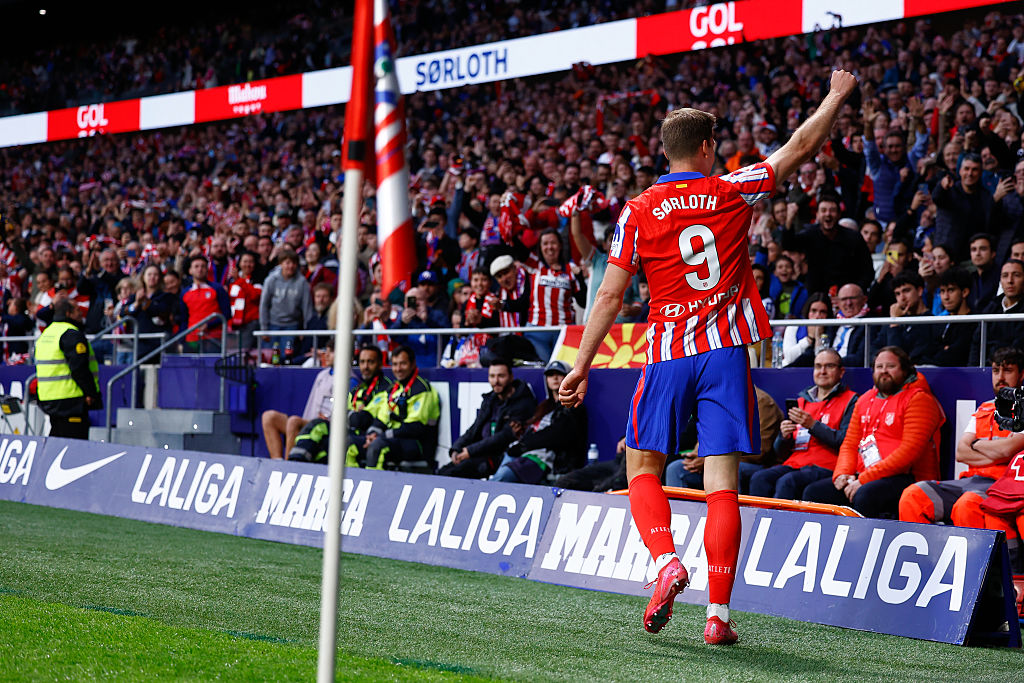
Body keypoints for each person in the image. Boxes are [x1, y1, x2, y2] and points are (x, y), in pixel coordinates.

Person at [559, 69, 858, 645]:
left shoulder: (637, 210)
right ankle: (717, 616)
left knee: (642, 470)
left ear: (666, 153)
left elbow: (610, 295)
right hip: (724, 353)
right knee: (723, 485)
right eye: (715, 142)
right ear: (705, 148)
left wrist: (581, 364)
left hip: (667, 353)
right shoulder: (731, 190)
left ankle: (665, 561)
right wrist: (836, 95)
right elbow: (800, 146)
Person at [803, 347, 944, 518]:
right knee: (815, 492)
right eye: (879, 366)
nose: (884, 371)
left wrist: (864, 479)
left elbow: (908, 453)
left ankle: (858, 537)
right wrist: (843, 473)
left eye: (890, 366)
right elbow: (849, 444)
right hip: (866, 475)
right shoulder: (865, 400)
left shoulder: (920, 399)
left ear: (905, 370)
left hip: (908, 477)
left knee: (865, 495)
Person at [899, 347, 1024, 525]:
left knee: (967, 504)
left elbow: (1007, 450)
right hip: (970, 481)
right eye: (996, 371)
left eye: (1008, 370)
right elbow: (961, 453)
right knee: (914, 495)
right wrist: (996, 452)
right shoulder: (985, 407)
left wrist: (976, 444)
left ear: (1021, 375)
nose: (1000, 377)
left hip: (1003, 486)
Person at [750, 349, 858, 499]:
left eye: (829, 366)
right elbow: (780, 453)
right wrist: (784, 437)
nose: (822, 371)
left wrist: (813, 425)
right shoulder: (801, 401)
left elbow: (845, 442)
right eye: (818, 366)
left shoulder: (852, 401)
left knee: (787, 482)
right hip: (795, 463)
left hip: (826, 465)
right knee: (760, 478)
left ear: (841, 372)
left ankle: (782, 517)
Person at [664, 386, 783, 494]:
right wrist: (697, 454)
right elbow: (706, 435)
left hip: (752, 464)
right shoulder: (719, 399)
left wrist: (712, 459)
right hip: (714, 458)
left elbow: (760, 451)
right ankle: (679, 511)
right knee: (676, 468)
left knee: (730, 469)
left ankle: (732, 510)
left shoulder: (763, 402)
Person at [289, 343, 392, 464]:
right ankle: (294, 464)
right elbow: (339, 414)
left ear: (380, 364)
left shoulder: (386, 388)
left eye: (370, 362)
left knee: (334, 444)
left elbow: (363, 420)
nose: (365, 366)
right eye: (362, 362)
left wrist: (353, 415)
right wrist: (353, 414)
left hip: (367, 435)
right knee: (317, 426)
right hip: (348, 430)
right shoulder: (359, 389)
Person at [491, 360, 588, 484]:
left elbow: (556, 434)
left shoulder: (574, 406)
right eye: (550, 375)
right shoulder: (544, 407)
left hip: (549, 462)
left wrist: (523, 445)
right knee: (505, 460)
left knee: (504, 474)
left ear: (569, 377)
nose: (555, 378)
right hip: (528, 454)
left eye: (559, 374)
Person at [438, 359, 536, 478]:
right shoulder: (490, 400)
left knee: (453, 473)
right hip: (480, 453)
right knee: (442, 472)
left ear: (511, 377)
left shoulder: (523, 403)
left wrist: (470, 451)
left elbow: (504, 437)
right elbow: (474, 428)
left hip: (501, 457)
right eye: (492, 376)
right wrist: (456, 448)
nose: (496, 381)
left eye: (501, 376)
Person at [346, 345, 440, 470]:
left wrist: (384, 436)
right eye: (395, 364)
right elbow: (381, 419)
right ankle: (351, 481)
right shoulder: (393, 389)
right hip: (392, 438)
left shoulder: (421, 389)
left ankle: (374, 482)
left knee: (377, 447)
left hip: (416, 443)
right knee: (348, 443)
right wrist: (372, 434)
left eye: (403, 364)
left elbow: (415, 427)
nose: (398, 369)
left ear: (413, 364)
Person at [34, 298, 102, 439]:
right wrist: (90, 393)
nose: (81, 313)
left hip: (49, 398)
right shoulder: (71, 334)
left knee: (57, 441)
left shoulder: (47, 333)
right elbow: (79, 368)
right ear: (68, 313)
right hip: (71, 400)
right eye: (77, 310)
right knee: (74, 445)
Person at [261, 340, 335, 460]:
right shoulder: (322, 375)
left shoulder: (349, 380)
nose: (326, 355)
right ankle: (277, 463)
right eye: (326, 351)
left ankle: (289, 465)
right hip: (309, 423)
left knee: (294, 422)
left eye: (331, 352)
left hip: (324, 428)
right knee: (269, 417)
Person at [915, 267, 975, 366]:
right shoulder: (940, 323)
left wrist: (943, 351)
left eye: (951, 290)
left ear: (965, 292)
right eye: (942, 291)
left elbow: (954, 356)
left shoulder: (974, 322)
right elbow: (925, 351)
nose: (946, 297)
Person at [259, 248, 312, 359]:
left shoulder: (302, 282)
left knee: (286, 357)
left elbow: (307, 308)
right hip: (272, 325)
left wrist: (306, 330)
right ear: (281, 264)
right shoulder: (271, 280)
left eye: (294, 263)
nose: (290, 266)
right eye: (287, 263)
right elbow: (264, 305)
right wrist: (264, 328)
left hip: (292, 326)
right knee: (270, 358)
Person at [970, 259, 1024, 366]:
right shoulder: (991, 308)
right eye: (1005, 276)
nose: (1010, 280)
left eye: (1016, 275)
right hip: (987, 368)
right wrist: (973, 371)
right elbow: (977, 344)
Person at [182, 255, 230, 353]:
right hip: (192, 340)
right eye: (196, 266)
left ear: (207, 269)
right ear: (190, 270)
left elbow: (227, 314)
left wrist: (209, 325)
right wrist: (181, 341)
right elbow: (183, 319)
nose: (200, 269)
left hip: (214, 338)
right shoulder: (185, 292)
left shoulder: (217, 289)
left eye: (203, 266)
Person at [228, 252, 263, 350]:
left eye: (251, 262)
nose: (248, 264)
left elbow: (254, 296)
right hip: (234, 324)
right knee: (232, 352)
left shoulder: (258, 279)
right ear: (239, 263)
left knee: (244, 352)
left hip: (250, 323)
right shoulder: (231, 279)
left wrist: (239, 280)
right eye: (245, 261)